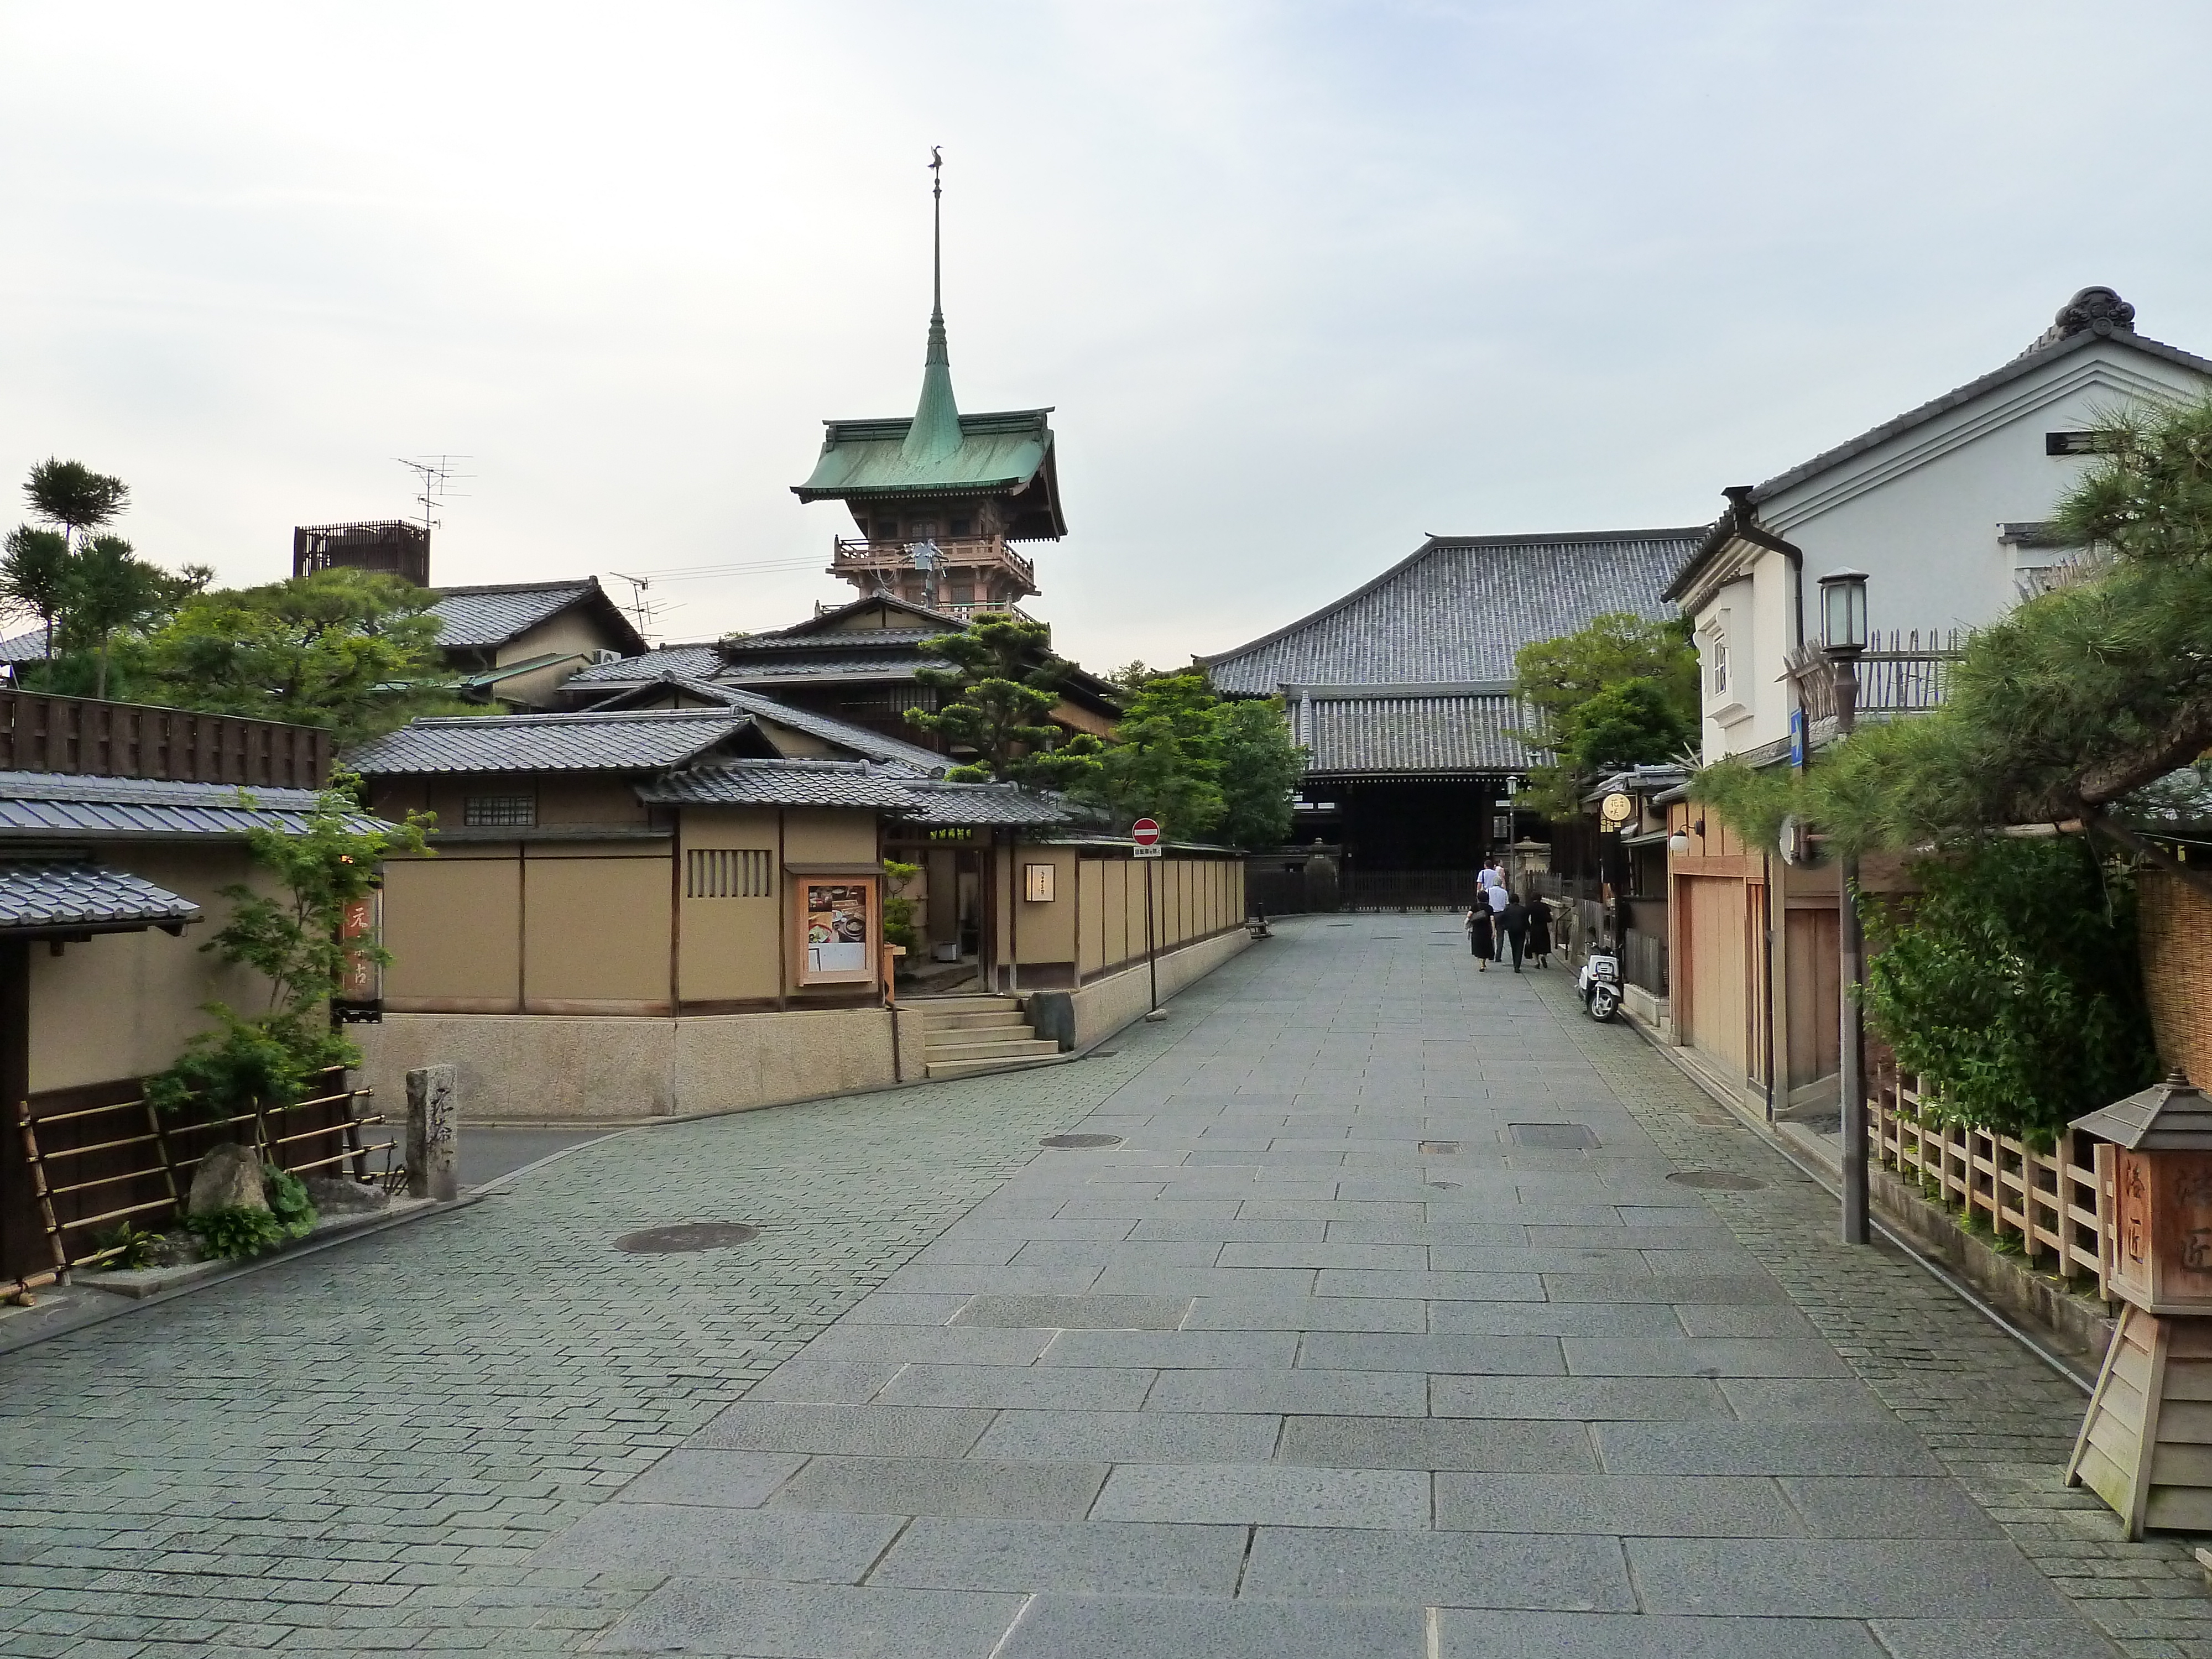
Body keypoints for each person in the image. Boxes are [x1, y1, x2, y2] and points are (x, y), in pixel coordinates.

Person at [1500, 892, 1529, 973]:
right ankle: (1517, 965)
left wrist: (1505, 926)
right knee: (1520, 947)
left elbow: (1503, 918)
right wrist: (1528, 929)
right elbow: (1526, 920)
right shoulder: (1523, 909)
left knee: (1514, 947)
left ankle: (1515, 963)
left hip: (1511, 930)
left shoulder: (1507, 909)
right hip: (1521, 929)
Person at [1525, 893, 1553, 968]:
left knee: (1534, 946)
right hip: (1543, 927)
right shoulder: (1545, 906)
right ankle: (1543, 956)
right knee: (1545, 944)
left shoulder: (1530, 906)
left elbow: (1526, 917)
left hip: (1534, 927)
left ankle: (1537, 963)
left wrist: (1527, 928)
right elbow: (1551, 916)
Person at [1485, 878, 1510, 962]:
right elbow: (1507, 904)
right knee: (1500, 936)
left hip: (1491, 914)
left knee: (1491, 934)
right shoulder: (1504, 892)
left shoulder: (1488, 890)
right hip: (1501, 914)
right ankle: (1498, 956)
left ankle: (1491, 954)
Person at [1466, 901, 1495, 971]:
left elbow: (1469, 915)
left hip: (1477, 929)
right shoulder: (1489, 908)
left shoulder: (1475, 906)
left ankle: (1482, 964)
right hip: (1487, 929)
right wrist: (1494, 931)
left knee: (1478, 946)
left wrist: (1467, 922)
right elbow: (1492, 919)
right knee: (1486, 946)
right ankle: (1484, 961)